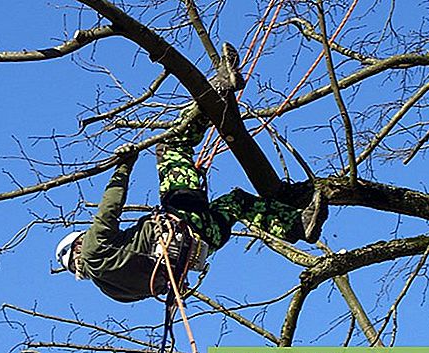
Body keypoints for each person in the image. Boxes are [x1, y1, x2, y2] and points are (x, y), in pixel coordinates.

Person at [56, 44, 328, 303]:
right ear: (77, 247)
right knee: (170, 146)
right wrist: (125, 164)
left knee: (236, 203)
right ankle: (218, 88)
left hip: (205, 240)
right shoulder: (92, 250)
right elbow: (109, 208)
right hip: (182, 220)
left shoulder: (114, 291)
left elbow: (157, 284)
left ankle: (297, 225)